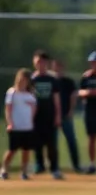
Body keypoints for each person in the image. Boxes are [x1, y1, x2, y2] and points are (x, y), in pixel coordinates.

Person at [30, 51, 62, 179]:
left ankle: (54, 168)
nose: (40, 65)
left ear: (47, 63)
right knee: (37, 143)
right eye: (38, 62)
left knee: (51, 144)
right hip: (36, 117)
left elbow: (56, 99)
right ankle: (39, 165)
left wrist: (58, 115)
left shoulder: (52, 79)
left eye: (43, 62)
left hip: (50, 116)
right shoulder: (32, 79)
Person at [3, 69, 37, 180]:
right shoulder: (12, 92)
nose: (23, 82)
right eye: (21, 79)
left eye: (26, 80)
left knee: (26, 150)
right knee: (12, 150)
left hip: (27, 126)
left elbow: (34, 108)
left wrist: (31, 120)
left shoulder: (30, 94)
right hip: (15, 126)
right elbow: (8, 109)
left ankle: (24, 172)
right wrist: (10, 123)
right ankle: (4, 170)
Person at [51, 59, 82, 173]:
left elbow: (73, 96)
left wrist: (71, 111)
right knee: (53, 143)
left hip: (66, 116)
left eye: (59, 66)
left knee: (71, 140)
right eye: (55, 67)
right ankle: (54, 167)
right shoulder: (51, 81)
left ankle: (76, 165)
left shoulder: (68, 82)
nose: (57, 69)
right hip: (52, 117)